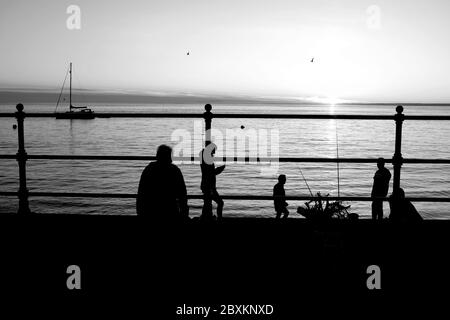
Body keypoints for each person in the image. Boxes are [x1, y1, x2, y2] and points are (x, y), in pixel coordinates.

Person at [136, 144, 189, 220]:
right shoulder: (174, 170)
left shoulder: (149, 169)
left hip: (151, 210)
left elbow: (141, 191)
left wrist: (140, 211)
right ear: (169, 157)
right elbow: (182, 193)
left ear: (157, 156)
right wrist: (184, 212)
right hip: (170, 209)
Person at [199, 143, 225, 220]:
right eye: (213, 151)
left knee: (207, 203)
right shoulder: (207, 159)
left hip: (207, 186)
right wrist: (220, 169)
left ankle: (206, 217)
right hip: (209, 186)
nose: (214, 153)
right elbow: (212, 173)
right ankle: (218, 218)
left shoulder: (204, 158)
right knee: (219, 202)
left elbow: (210, 172)